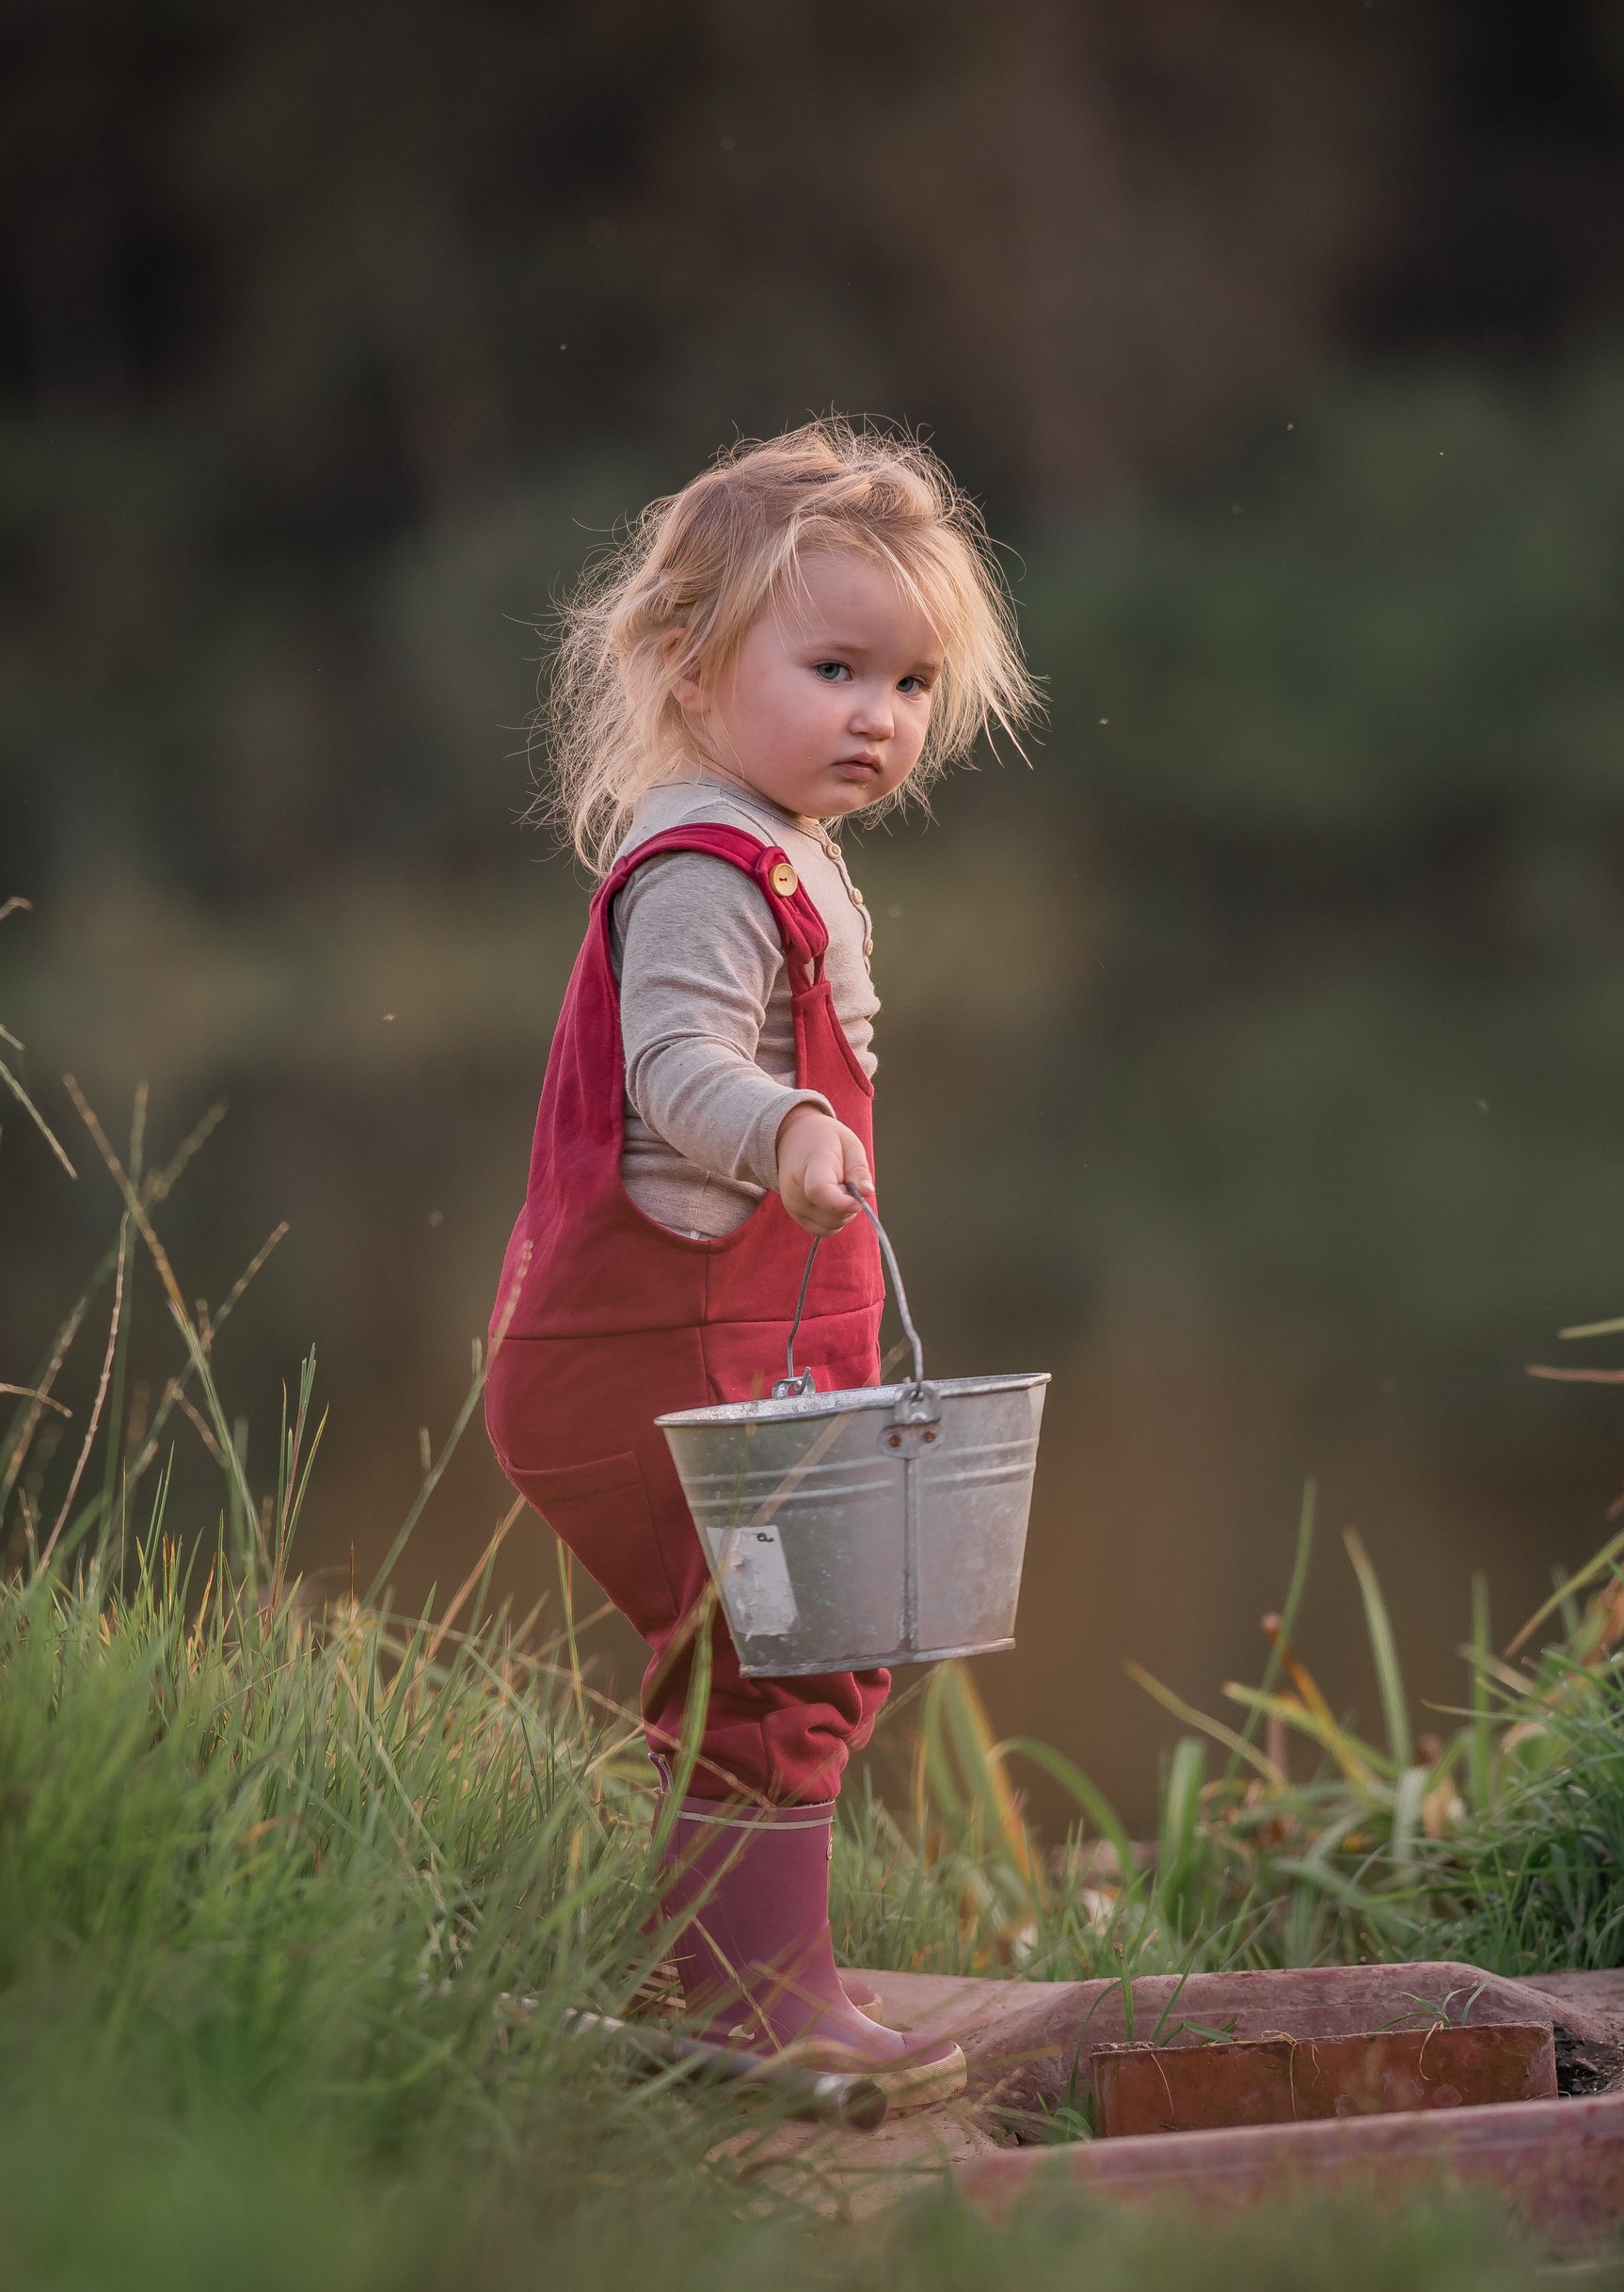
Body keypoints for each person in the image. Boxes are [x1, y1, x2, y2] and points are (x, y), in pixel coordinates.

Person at [485, 421, 1035, 2109]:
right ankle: (737, 1999)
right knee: (775, 1644)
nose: (882, 714)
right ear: (687, 662)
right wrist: (784, 1126)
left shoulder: (783, 846)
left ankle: (746, 1969)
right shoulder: (703, 869)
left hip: (741, 1346)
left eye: (913, 682)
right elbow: (674, 1069)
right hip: (660, 1348)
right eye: (836, 666)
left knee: (805, 1636)